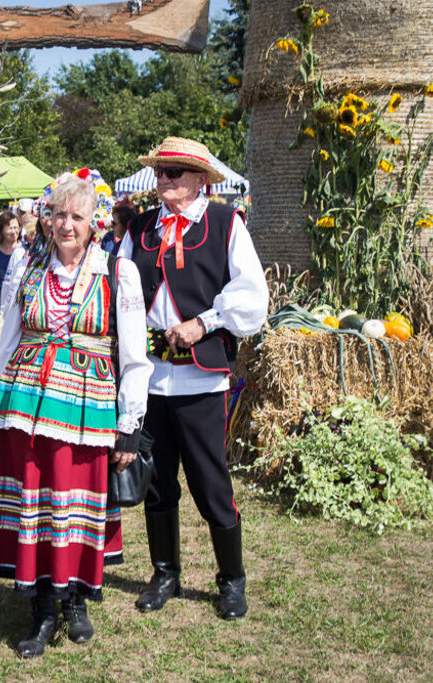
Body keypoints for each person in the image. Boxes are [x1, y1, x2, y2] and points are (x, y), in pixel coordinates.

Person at [0, 172, 152, 658]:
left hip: (87, 406)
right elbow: (10, 338)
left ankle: (75, 599)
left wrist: (129, 426)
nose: (66, 224)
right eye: (59, 214)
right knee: (34, 501)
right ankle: (41, 610)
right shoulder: (28, 270)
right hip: (26, 407)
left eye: (77, 215)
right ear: (47, 218)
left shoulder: (117, 273)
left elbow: (136, 355)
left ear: (94, 222)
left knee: (75, 502)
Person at [117, 137, 268, 621]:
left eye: (175, 172)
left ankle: (232, 580)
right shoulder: (140, 228)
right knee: (158, 483)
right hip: (148, 378)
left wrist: (203, 323)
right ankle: (165, 573)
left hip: (201, 380)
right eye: (161, 171)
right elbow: (116, 287)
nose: (164, 179)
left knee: (210, 483)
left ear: (200, 180)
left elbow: (250, 295)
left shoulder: (225, 224)